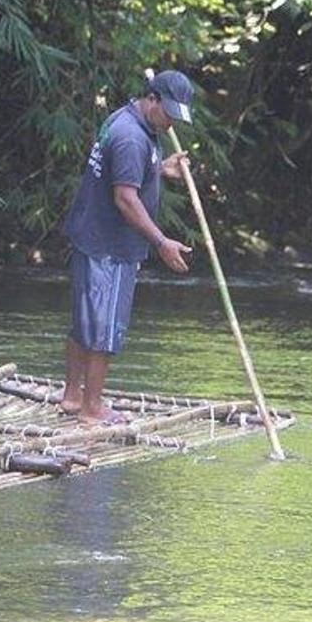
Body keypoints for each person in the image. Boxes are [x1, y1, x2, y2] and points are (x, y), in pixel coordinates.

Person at [59, 69, 194, 424]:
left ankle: (73, 396)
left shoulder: (126, 120)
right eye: (168, 114)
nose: (170, 124)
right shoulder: (132, 137)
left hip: (91, 235)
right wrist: (162, 242)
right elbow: (125, 198)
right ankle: (92, 408)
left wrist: (161, 170)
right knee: (104, 330)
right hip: (110, 246)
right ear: (151, 99)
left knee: (84, 322)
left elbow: (124, 171)